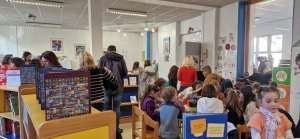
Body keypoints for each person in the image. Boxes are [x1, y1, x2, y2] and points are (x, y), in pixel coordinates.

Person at [98, 45, 128, 134]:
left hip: (106, 87)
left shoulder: (102, 58)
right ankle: (116, 129)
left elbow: (99, 71)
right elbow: (125, 73)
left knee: (106, 108)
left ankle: (108, 128)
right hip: (118, 86)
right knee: (117, 108)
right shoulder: (121, 59)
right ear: (116, 50)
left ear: (107, 50)